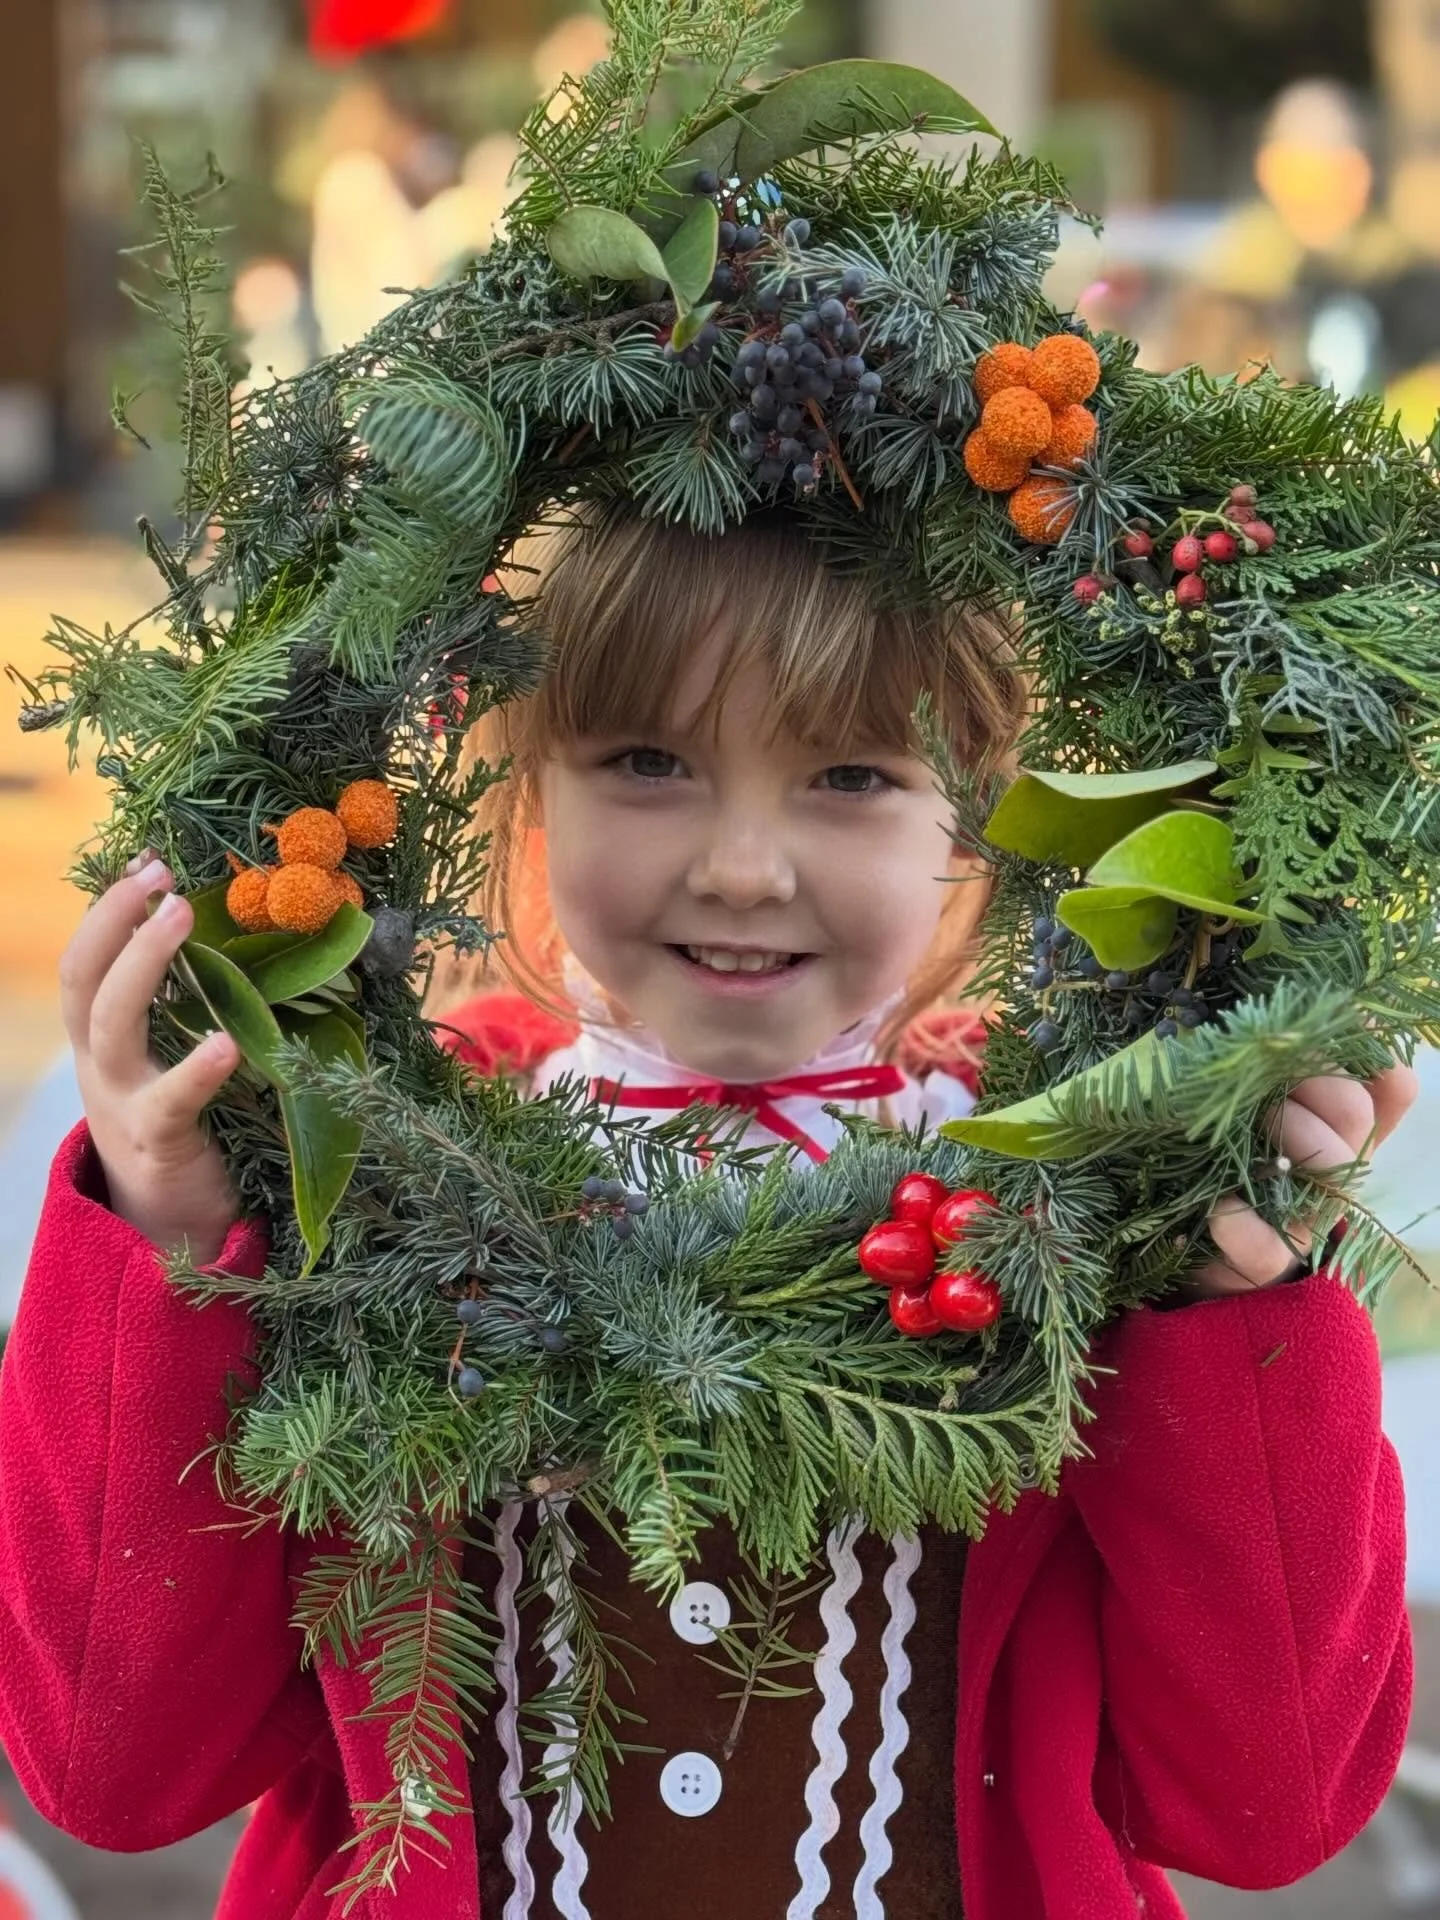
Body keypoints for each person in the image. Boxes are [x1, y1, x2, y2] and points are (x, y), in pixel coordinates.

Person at [0, 502, 1418, 1920]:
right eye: (649, 761)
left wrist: (1240, 1328)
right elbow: (113, 1775)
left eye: (851, 773)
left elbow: (1264, 1806)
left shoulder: (1078, 1213)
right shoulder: (364, 1189)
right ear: (533, 786)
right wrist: (173, 1240)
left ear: (974, 811)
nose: (745, 865)